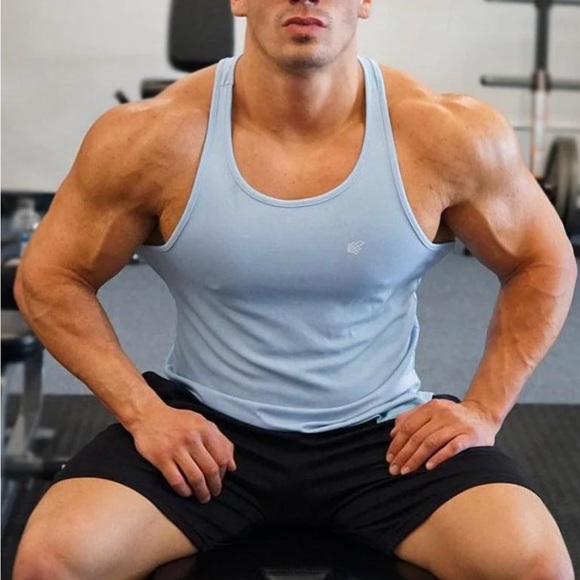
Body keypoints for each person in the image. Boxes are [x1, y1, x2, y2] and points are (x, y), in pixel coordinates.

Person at [12, 1, 577, 578]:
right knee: (49, 564)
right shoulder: (152, 138)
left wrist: (482, 410)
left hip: (387, 442)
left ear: (364, 1)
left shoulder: (448, 136)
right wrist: (144, 413)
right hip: (207, 440)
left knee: (537, 571)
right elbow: (50, 277)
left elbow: (541, 263)